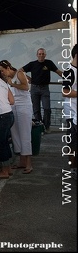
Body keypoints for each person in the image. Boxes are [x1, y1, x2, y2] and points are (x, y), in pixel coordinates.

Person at [0, 60, 33, 174]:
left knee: (25, 134)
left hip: (24, 106)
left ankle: (28, 163)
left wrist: (12, 84)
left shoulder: (19, 73)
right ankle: (21, 161)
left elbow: (26, 87)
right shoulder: (6, 79)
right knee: (15, 134)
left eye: (2, 70)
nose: (2, 73)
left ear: (8, 68)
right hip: (13, 106)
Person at [19, 48, 62, 133]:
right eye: (40, 54)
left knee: (47, 108)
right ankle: (39, 127)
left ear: (45, 55)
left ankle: (46, 126)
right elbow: (20, 70)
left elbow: (58, 72)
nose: (41, 55)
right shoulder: (32, 64)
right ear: (37, 55)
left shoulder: (49, 63)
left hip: (45, 88)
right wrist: (27, 78)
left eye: (43, 54)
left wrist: (68, 78)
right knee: (36, 109)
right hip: (34, 88)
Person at [61, 44, 77, 180]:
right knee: (72, 143)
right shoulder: (69, 71)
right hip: (72, 113)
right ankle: (73, 168)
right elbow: (65, 92)